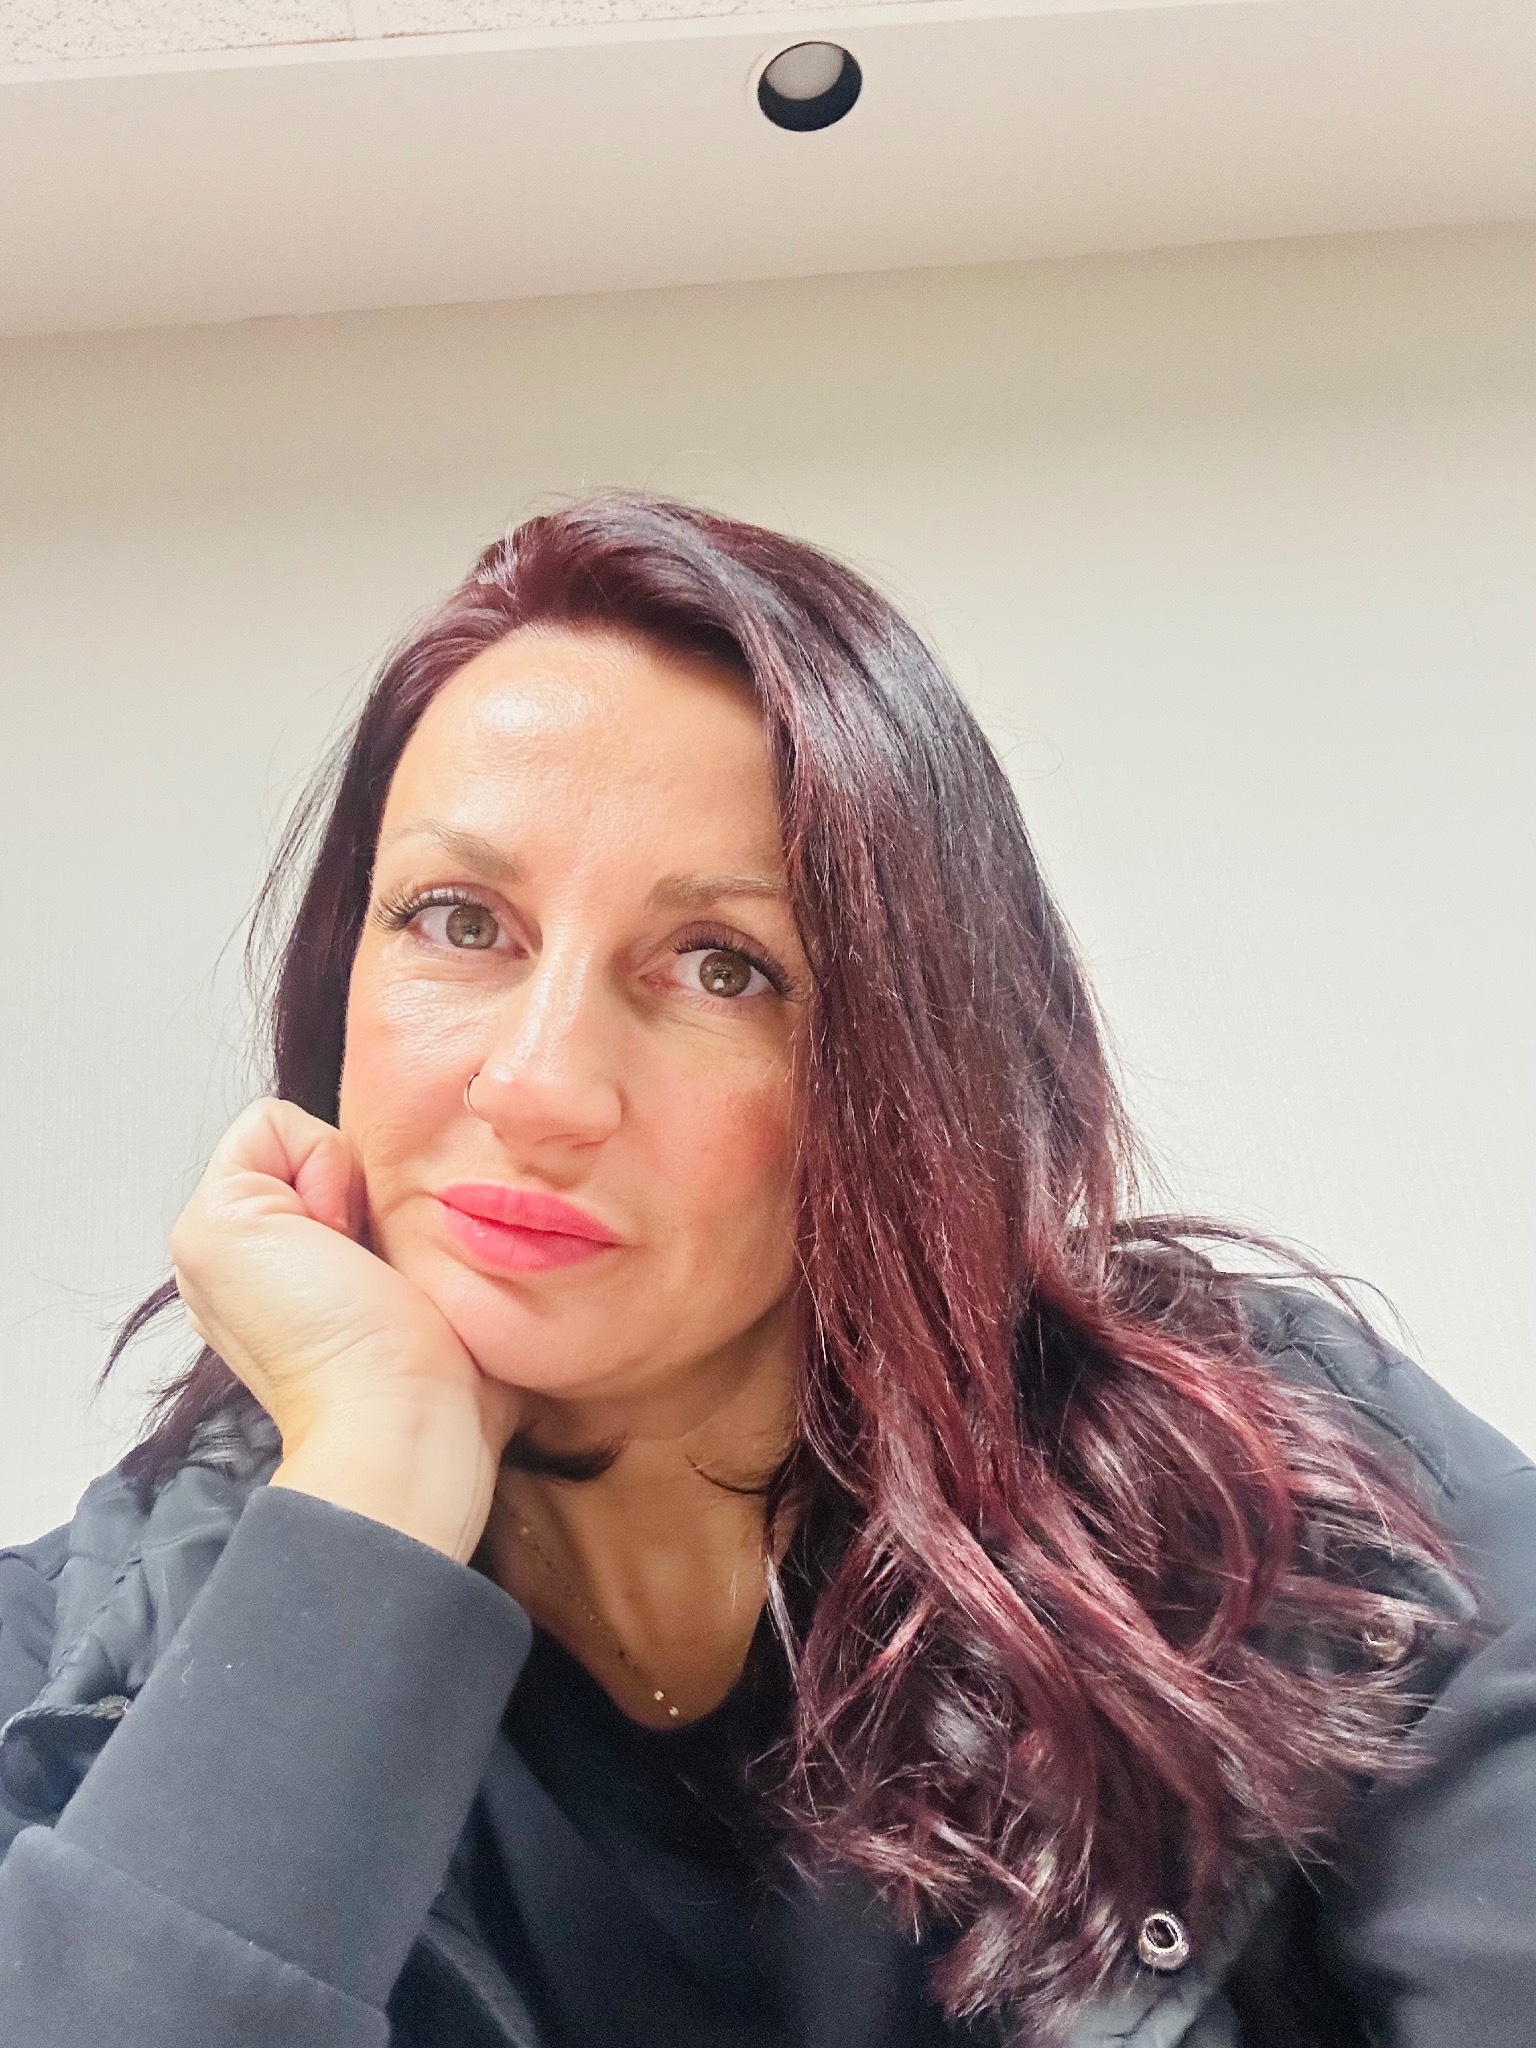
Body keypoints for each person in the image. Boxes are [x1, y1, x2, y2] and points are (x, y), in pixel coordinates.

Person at [0, 493, 1530, 2048]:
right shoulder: (57, 1664)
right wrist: (373, 1482)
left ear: (900, 1064)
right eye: (460, 922)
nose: (537, 1084)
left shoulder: (1296, 1506)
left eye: (721, 967)